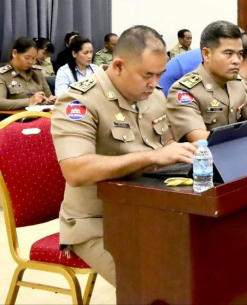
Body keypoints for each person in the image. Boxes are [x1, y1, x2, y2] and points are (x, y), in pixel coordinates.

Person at [52, 25, 198, 287]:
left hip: (151, 210)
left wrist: (186, 153)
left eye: (160, 74)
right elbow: (75, 170)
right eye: (148, 75)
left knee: (205, 262)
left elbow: (166, 144)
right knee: (155, 285)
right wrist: (152, 157)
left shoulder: (153, 96)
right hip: (98, 222)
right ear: (118, 66)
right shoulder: (79, 101)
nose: (154, 82)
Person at [167, 21, 247, 145]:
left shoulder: (236, 83)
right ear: (206, 54)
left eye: (240, 54)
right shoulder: (184, 91)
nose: (236, 60)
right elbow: (200, 140)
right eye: (228, 54)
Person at [0, 37, 55, 110]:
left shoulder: (37, 72)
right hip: (16, 116)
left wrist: (50, 100)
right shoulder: (3, 75)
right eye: (27, 58)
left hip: (40, 115)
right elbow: (1, 102)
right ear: (14, 53)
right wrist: (29, 101)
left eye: (34, 58)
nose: (30, 62)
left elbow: (48, 96)